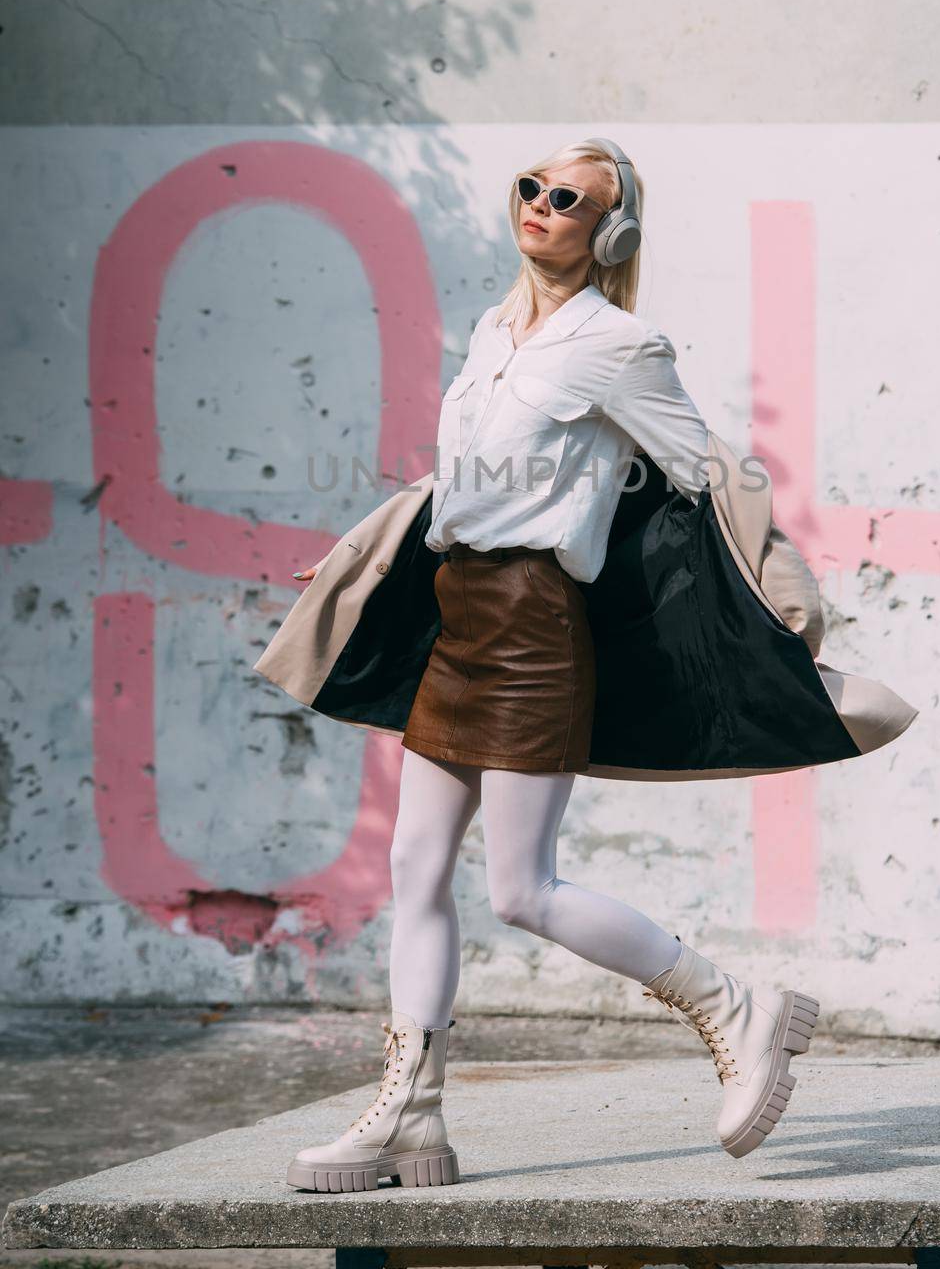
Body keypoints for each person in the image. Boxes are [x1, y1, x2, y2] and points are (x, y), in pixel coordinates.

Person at [283, 138, 819, 1194]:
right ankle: (411, 1118)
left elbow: (707, 467)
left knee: (522, 889)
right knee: (415, 869)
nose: (539, 205)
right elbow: (464, 484)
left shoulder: (621, 345)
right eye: (530, 186)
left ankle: (733, 1004)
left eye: (567, 197)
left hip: (534, 628)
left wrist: (786, 588)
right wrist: (360, 552)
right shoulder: (492, 331)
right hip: (457, 617)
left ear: (607, 231)